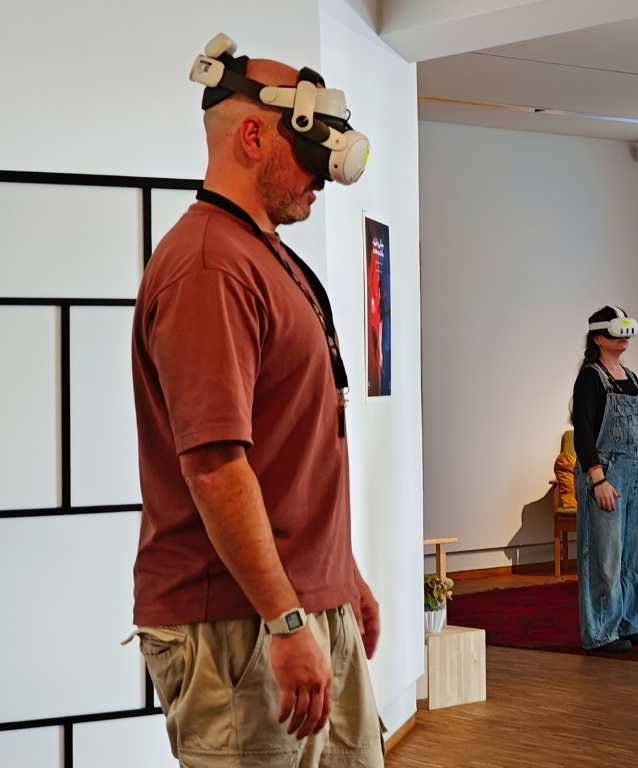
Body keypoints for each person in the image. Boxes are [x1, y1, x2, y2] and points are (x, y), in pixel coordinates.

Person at [127, 35, 383, 767]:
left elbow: (291, 448)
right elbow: (215, 467)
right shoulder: (210, 267)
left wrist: (340, 574)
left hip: (300, 605)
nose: (324, 179)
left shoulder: (263, 254)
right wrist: (286, 618)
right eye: (310, 154)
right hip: (242, 624)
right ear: (252, 137)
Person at [570, 306, 638, 652]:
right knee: (605, 557)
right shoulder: (590, 378)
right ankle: (600, 633)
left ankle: (628, 623)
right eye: (615, 332)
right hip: (606, 475)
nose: (623, 339)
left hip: (636, 476)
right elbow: (583, 434)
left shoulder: (632, 378)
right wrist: (598, 479)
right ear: (598, 338)